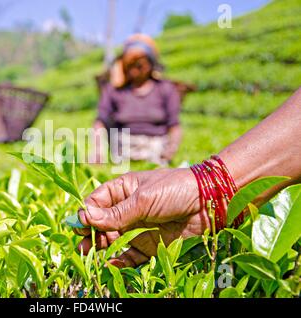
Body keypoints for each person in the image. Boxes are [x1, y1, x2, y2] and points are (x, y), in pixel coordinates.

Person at [75, 87, 301, 268]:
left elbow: (174, 127)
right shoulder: (117, 91)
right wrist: (209, 191)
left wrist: (208, 186)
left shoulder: (163, 90)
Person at [92, 34, 182, 166]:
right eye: (131, 64)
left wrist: (170, 150)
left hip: (156, 150)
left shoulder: (165, 88)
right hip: (123, 151)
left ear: (151, 64)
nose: (135, 69)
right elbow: (100, 121)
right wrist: (98, 150)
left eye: (140, 65)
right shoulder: (114, 90)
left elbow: (174, 126)